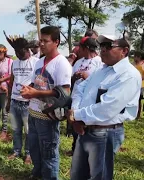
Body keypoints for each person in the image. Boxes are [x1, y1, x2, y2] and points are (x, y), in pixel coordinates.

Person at [67, 35, 141, 180]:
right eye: (102, 46)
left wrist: (76, 115)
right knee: (77, 175)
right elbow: (80, 88)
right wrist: (75, 113)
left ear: (124, 51)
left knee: (98, 176)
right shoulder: (101, 69)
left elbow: (107, 109)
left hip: (104, 132)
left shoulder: (129, 75)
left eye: (108, 46)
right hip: (85, 129)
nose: (103, 50)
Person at [20, 26, 72, 180]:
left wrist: (36, 93)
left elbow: (64, 92)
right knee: (35, 151)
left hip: (48, 117)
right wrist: (29, 89)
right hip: (33, 113)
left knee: (49, 154)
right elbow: (37, 82)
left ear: (56, 42)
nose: (41, 44)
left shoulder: (61, 63)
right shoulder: (40, 61)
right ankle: (37, 175)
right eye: (40, 40)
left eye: (46, 41)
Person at [4, 32, 38, 164]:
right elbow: (11, 82)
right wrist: (8, 100)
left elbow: (37, 81)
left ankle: (29, 154)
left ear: (26, 49)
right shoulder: (15, 63)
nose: (17, 54)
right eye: (15, 51)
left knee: (28, 131)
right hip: (14, 101)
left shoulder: (36, 62)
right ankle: (16, 151)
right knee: (16, 129)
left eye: (19, 51)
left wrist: (29, 88)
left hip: (28, 103)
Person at [66, 36, 104, 156]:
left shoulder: (100, 63)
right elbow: (70, 80)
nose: (77, 49)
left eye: (79, 47)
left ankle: (87, 151)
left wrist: (86, 77)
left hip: (90, 101)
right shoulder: (78, 62)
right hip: (76, 98)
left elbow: (101, 84)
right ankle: (75, 149)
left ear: (86, 48)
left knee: (87, 126)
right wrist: (75, 77)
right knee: (75, 124)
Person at [134, 51, 144, 119]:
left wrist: (140, 78)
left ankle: (138, 115)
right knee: (136, 100)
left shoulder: (143, 64)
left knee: (139, 100)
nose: (134, 58)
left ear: (139, 57)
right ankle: (136, 114)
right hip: (135, 84)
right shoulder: (133, 64)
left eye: (136, 56)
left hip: (142, 85)